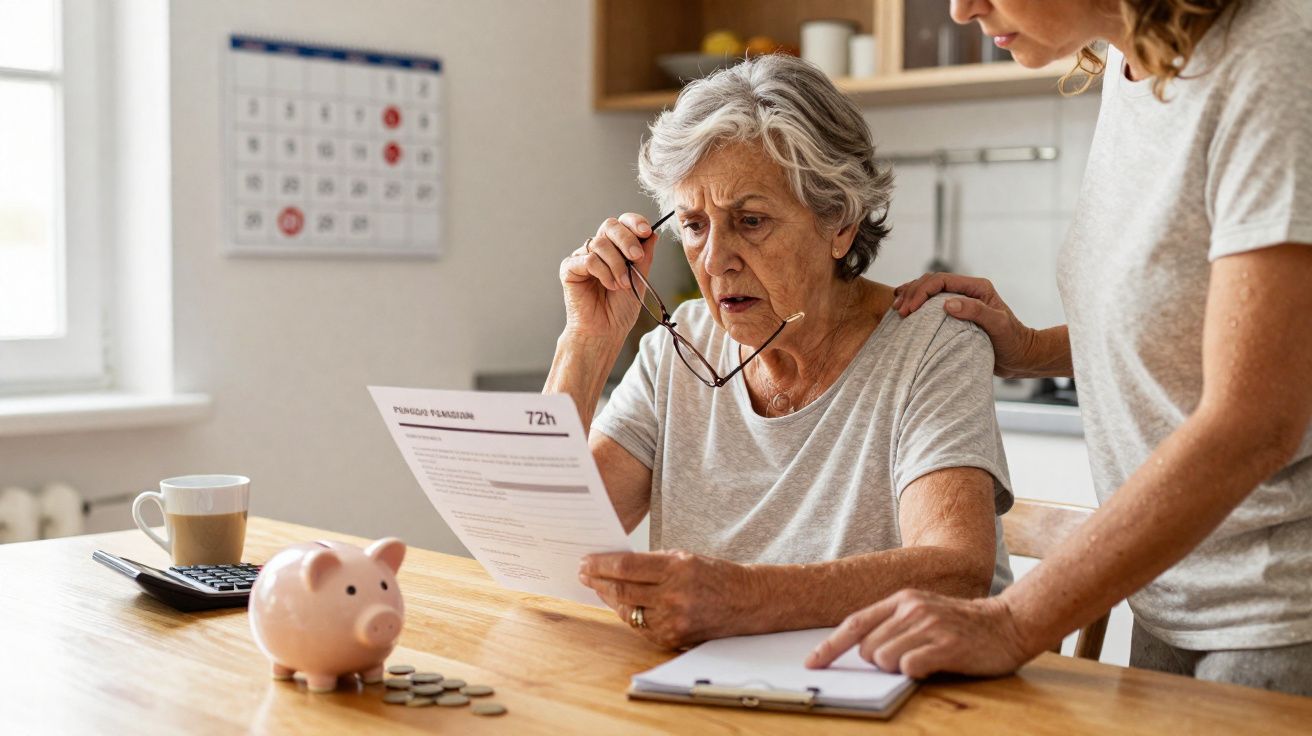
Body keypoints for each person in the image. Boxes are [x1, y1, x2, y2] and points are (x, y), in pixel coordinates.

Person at [807, 0, 1312, 696]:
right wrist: (1032, 348)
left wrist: (1013, 622)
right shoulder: (1132, 68)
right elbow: (1205, 322)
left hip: (1282, 612)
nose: (960, 9)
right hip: (1168, 598)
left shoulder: (1275, 57)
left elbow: (1256, 421)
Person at [544, 54, 1014, 649]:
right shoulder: (679, 345)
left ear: (839, 224)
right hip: (719, 692)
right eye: (693, 225)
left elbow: (954, 569)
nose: (715, 261)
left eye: (751, 220)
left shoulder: (931, 343)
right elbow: (548, 545)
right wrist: (585, 343)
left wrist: (741, 600)